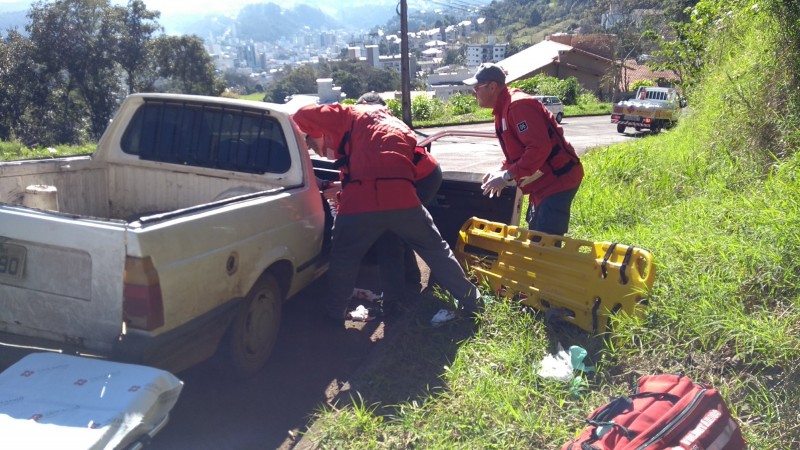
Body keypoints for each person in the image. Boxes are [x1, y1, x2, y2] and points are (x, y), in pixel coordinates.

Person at [292, 97, 480, 324]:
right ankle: (474, 303)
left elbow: (302, 114)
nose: (314, 149)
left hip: (362, 202)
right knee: (436, 250)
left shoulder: (350, 113)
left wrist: (293, 130)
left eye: (311, 143)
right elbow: (384, 167)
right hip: (403, 198)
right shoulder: (396, 125)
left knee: (343, 256)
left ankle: (334, 314)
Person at [465, 63, 583, 236]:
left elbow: (538, 148)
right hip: (542, 184)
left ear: (492, 87)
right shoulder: (502, 109)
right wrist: (501, 169)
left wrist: (506, 177)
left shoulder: (518, 106)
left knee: (545, 242)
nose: (474, 95)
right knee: (536, 234)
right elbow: (518, 152)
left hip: (558, 180)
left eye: (477, 88)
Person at [354, 93, 443, 306]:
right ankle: (410, 280)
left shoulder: (374, 126)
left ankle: (395, 301)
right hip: (421, 175)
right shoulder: (377, 123)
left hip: (421, 177)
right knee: (396, 231)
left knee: (388, 234)